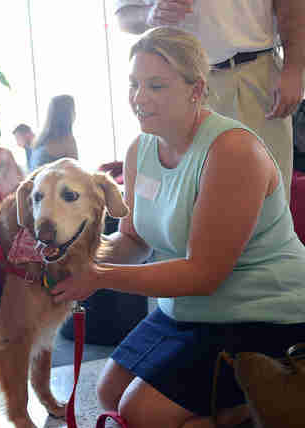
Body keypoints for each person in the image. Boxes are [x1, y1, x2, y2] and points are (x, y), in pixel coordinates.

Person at [50, 27, 305, 428]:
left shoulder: (232, 151)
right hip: (187, 308)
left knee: (141, 413)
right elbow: (132, 239)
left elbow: (203, 275)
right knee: (110, 394)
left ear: (196, 89)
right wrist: (74, 257)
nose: (139, 98)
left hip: (262, 312)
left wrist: (99, 276)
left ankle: (262, 405)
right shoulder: (140, 149)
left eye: (156, 86)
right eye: (134, 84)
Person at [113, 0, 305, 201]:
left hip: (255, 73)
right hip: (176, 82)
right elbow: (123, 16)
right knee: (182, 198)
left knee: (266, 195)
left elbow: (292, 6)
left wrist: (294, 69)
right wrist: (149, 14)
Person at [28, 94, 79, 172]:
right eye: (73, 110)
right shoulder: (67, 141)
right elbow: (76, 172)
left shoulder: (40, 140)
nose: (75, 113)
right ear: (67, 115)